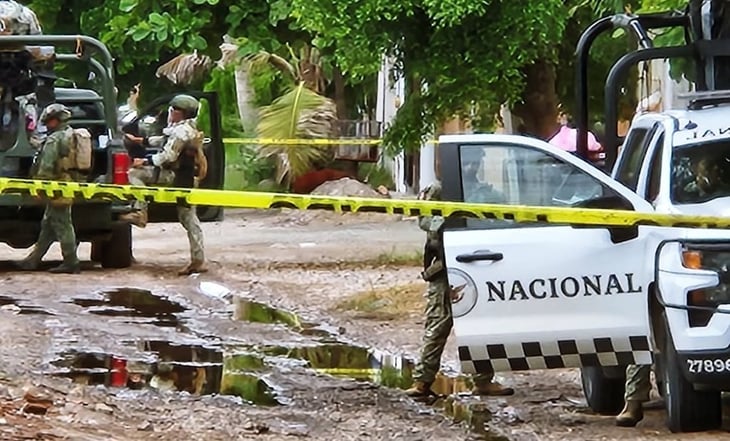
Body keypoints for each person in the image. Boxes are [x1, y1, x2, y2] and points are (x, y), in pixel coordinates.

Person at [405, 148, 513, 399]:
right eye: (467, 163)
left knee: (481, 327)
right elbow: (426, 222)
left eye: (476, 163)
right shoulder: (439, 191)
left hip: (479, 266)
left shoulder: (486, 193)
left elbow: (505, 219)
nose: (471, 168)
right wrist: (452, 216)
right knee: (437, 327)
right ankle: (422, 381)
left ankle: (483, 380)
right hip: (445, 268)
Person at [121, 94, 208, 275]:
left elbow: (168, 156)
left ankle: (140, 211)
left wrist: (144, 162)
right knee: (189, 219)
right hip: (186, 178)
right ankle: (198, 259)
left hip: (175, 177)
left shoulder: (181, 132)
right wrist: (141, 141)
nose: (169, 113)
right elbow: (164, 140)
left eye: (172, 109)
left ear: (178, 112)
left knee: (135, 174)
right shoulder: (186, 129)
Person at [17, 103, 80, 274]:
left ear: (57, 120)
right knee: (48, 224)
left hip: (55, 185)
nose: (47, 123)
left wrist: (39, 187)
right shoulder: (69, 133)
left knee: (62, 224)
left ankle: (71, 262)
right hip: (66, 182)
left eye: (50, 120)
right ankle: (33, 260)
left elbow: (46, 166)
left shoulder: (55, 138)